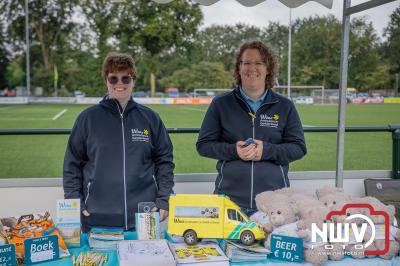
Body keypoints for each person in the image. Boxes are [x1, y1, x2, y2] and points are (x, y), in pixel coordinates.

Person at [63, 53, 174, 232]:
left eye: (125, 78)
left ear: (133, 80)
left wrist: (164, 199)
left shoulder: (150, 118)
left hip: (144, 218)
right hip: (97, 217)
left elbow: (164, 161)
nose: (119, 83)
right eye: (113, 78)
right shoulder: (87, 118)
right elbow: (72, 164)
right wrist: (73, 200)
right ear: (106, 81)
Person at [196, 41, 306, 217]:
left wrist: (266, 150)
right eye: (246, 62)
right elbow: (204, 145)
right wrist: (234, 150)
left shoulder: (285, 106)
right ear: (239, 68)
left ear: (268, 68)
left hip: (274, 205)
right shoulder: (221, 104)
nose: (251, 68)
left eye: (259, 63)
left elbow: (298, 148)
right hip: (229, 203)